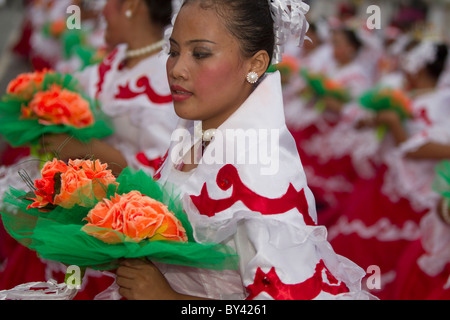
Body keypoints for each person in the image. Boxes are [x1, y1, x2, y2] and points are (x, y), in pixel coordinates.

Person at [115, 0, 374, 300]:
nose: (177, 69)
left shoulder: (262, 172)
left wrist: (168, 298)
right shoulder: (192, 134)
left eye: (200, 53)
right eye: (173, 51)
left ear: (255, 65)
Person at [0, 0, 178, 300]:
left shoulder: (165, 75)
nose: (101, 12)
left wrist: (86, 149)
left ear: (132, 6)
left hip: (119, 224)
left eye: (109, 3)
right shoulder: (116, 60)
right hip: (73, 204)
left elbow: (162, 175)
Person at [327, 40, 450, 299]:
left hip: (411, 192)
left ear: (419, 68)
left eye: (407, 63)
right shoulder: (404, 93)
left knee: (385, 250)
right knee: (360, 240)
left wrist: (394, 124)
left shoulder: (441, 102)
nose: (403, 69)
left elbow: (427, 147)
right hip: (386, 182)